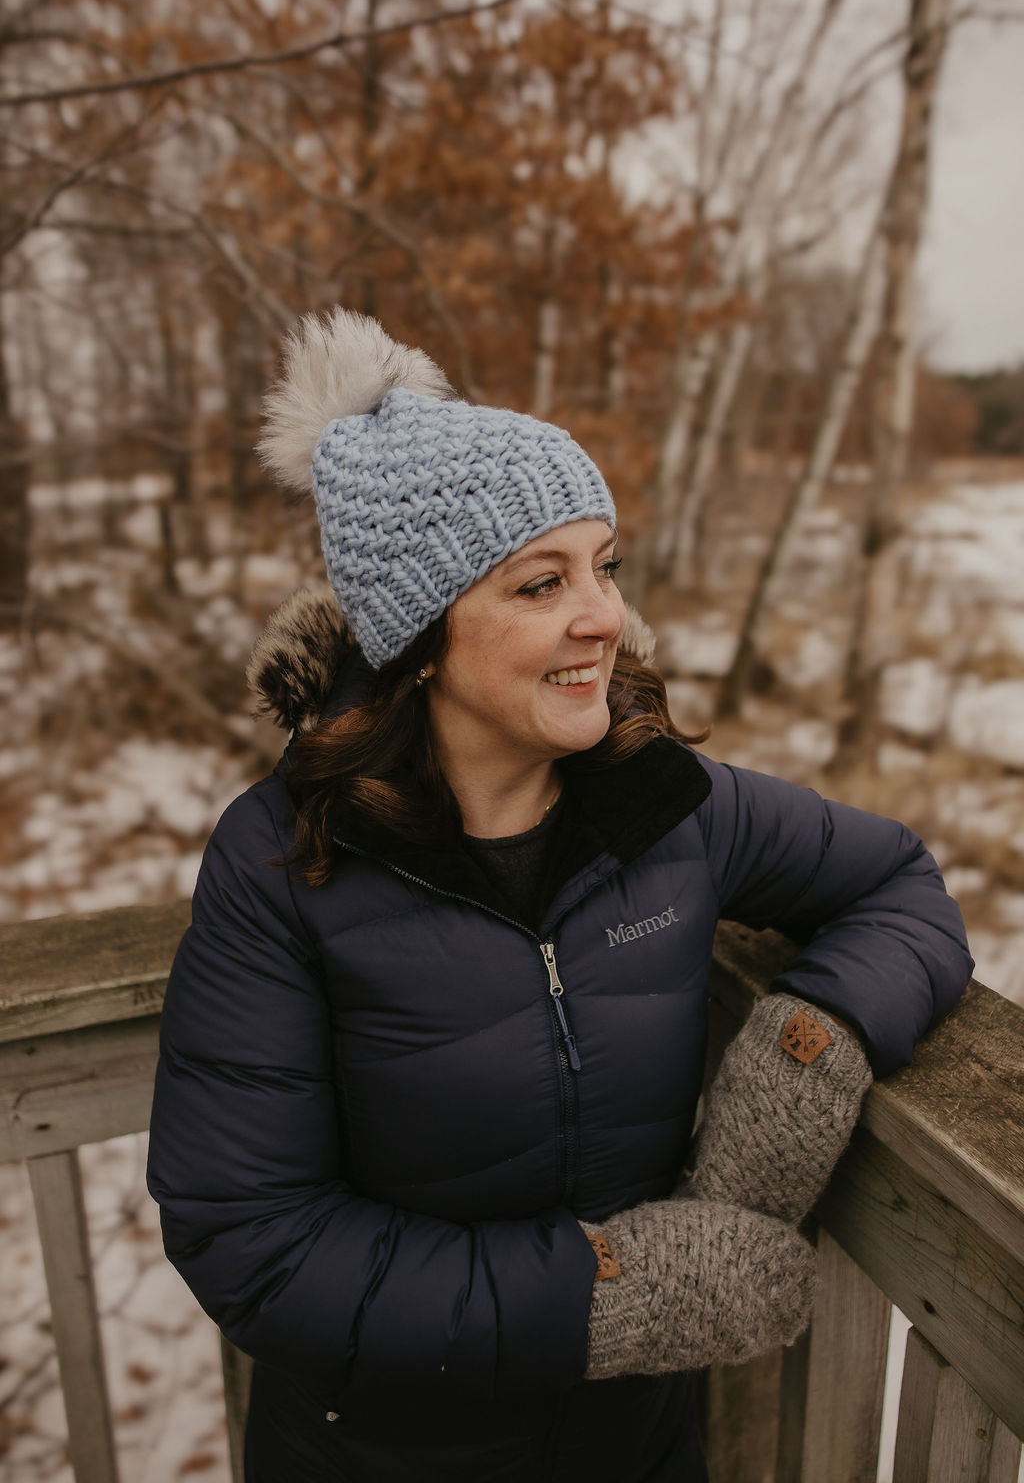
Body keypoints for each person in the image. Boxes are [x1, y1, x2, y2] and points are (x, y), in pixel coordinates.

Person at [146, 308, 973, 1483]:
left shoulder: (666, 804)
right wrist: (603, 1297)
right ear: (420, 641)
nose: (602, 615)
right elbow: (254, 1242)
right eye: (542, 583)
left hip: (637, 1453)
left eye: (602, 565)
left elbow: (898, 881)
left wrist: (809, 1047)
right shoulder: (282, 862)